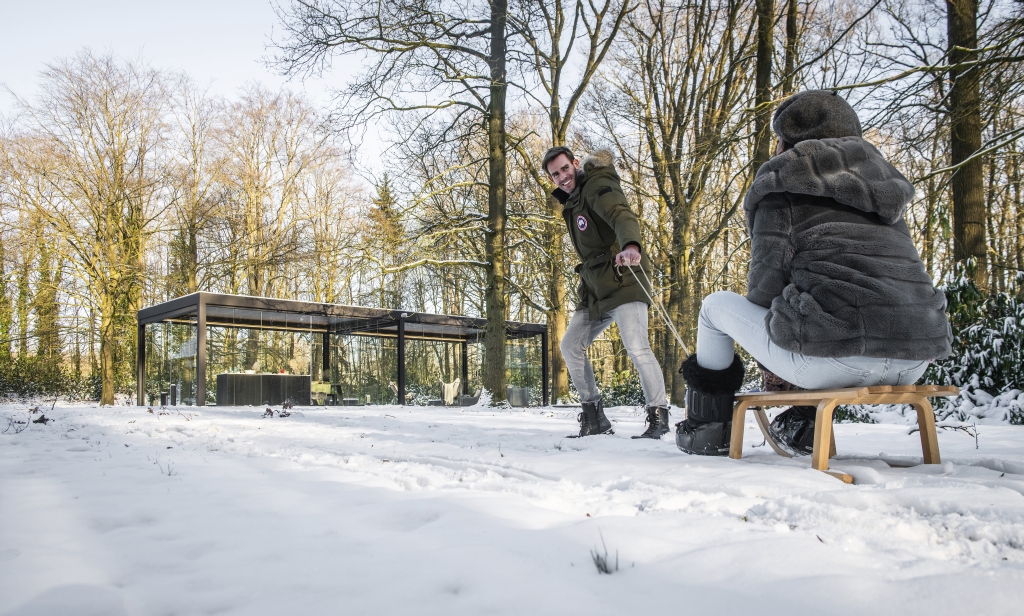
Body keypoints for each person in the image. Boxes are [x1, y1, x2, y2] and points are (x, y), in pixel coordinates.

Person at [676, 90, 953, 456]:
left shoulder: (782, 183)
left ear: (788, 138)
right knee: (820, 309)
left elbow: (764, 287)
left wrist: (774, 367)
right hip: (914, 358)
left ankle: (707, 429)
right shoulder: (884, 189)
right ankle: (803, 420)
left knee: (715, 307)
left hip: (837, 359)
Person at [543, 146, 671, 439]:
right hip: (595, 288)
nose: (562, 177)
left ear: (575, 164)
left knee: (637, 347)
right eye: (555, 174)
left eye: (565, 169)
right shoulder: (572, 201)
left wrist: (631, 246)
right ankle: (594, 416)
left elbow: (620, 214)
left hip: (624, 276)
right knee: (570, 345)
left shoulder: (597, 185)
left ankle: (659, 416)